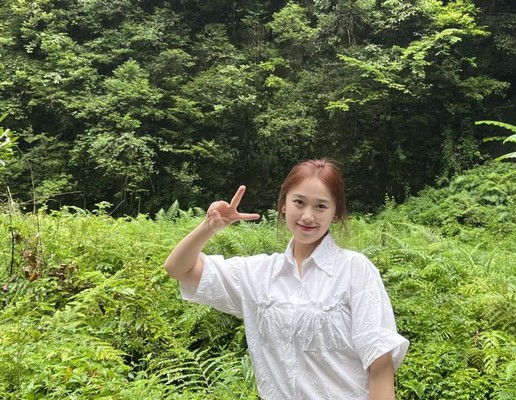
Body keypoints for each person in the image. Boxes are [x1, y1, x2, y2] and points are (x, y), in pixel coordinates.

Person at [164, 158, 409, 400]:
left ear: (335, 213)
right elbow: (179, 269)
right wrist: (209, 227)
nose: (308, 216)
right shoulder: (259, 274)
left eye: (321, 206)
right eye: (299, 202)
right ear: (283, 205)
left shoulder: (355, 269)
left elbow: (379, 363)